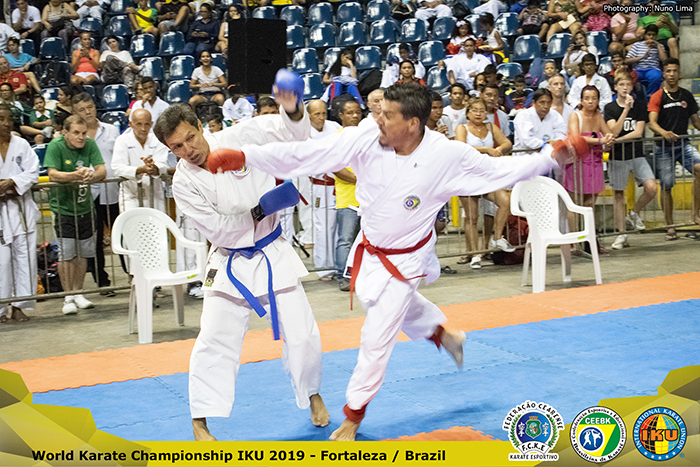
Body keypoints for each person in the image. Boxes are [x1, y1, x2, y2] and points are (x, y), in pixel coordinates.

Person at [209, 82, 587, 441]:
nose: (378, 119)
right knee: (379, 300)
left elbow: (501, 171)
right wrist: (246, 156)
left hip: (407, 260)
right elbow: (308, 154)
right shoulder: (365, 136)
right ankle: (443, 333)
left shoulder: (445, 155)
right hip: (370, 247)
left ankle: (354, 413)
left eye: (387, 115)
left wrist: (550, 157)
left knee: (376, 335)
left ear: (412, 123)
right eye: (378, 111)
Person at [153, 72, 329, 441]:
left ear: (200, 126)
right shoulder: (183, 182)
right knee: (215, 339)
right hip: (228, 260)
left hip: (272, 252)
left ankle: (312, 393)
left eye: (190, 138)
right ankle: (200, 419)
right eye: (177, 147)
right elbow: (218, 230)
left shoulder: (239, 137)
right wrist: (261, 209)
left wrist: (292, 108)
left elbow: (290, 134)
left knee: (302, 334)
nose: (188, 150)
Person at [43, 115, 106, 315]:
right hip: (63, 209)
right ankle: (68, 296)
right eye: (76, 133)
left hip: (85, 208)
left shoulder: (90, 144)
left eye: (84, 133)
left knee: (83, 253)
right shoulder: (55, 146)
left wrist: (91, 176)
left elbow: (102, 170)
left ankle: (79, 292)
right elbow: (52, 174)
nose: (81, 137)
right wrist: (75, 176)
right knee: (67, 254)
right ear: (65, 133)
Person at [456, 96, 513, 268]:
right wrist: (486, 149)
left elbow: (507, 142)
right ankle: (475, 255)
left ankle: (497, 238)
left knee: (504, 201)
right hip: (468, 176)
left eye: (481, 110)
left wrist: (498, 149)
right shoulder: (462, 128)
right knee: (472, 217)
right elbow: (461, 147)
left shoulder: (490, 126)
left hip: (487, 176)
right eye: (475, 110)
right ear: (468, 113)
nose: (479, 114)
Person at [72, 92, 121, 293]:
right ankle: (102, 281)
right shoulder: (76, 136)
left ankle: (132, 275)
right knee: (94, 240)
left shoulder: (111, 130)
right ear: (75, 113)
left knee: (121, 234)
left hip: (112, 189)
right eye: (82, 110)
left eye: (90, 107)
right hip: (88, 193)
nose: (87, 112)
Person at [647, 58, 700, 240]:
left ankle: (695, 214)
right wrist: (664, 132)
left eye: (674, 71)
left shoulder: (686, 95)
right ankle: (670, 226)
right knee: (667, 185)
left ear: (679, 73)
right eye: (668, 71)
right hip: (663, 148)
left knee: (699, 169)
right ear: (664, 73)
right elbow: (651, 123)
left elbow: (696, 122)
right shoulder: (657, 96)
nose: (671, 74)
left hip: (683, 145)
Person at [603, 72, 655, 250]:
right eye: (622, 84)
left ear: (632, 87)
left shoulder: (639, 105)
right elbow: (614, 130)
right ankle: (621, 234)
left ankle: (633, 213)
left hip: (637, 153)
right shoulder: (610, 108)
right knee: (618, 194)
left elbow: (638, 132)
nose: (625, 88)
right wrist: (625, 109)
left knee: (651, 187)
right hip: (618, 156)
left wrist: (617, 140)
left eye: (628, 84)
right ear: (615, 87)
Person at [0, 104, 40, 324]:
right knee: (2, 261)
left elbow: (33, 172)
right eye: (1, 119)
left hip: (20, 208)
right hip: (1, 211)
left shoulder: (21, 144)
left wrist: (12, 182)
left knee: (25, 259)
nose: (6, 123)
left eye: (9, 119)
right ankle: (0, 308)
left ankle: (18, 306)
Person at [564, 85, 614, 253]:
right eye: (587, 98)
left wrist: (608, 139)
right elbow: (575, 137)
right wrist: (600, 140)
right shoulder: (575, 115)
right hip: (577, 161)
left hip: (595, 162)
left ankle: (589, 241)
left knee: (590, 203)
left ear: (598, 100)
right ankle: (574, 243)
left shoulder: (599, 117)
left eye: (594, 98)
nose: (590, 101)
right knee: (573, 204)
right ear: (581, 100)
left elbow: (608, 134)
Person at [308, 99, 341, 280]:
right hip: (321, 185)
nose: (321, 118)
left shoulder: (334, 126)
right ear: (308, 116)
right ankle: (323, 268)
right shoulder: (305, 133)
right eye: (317, 114)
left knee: (338, 227)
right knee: (324, 228)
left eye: (323, 113)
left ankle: (338, 265)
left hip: (340, 184)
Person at [112, 108, 169, 212]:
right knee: (132, 222)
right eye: (139, 124)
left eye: (146, 124)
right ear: (131, 124)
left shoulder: (157, 140)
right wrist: (140, 170)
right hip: (131, 196)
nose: (143, 129)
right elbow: (117, 169)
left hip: (155, 194)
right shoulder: (122, 140)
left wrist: (154, 167)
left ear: (151, 124)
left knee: (157, 222)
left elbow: (163, 165)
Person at [332, 99, 362, 291]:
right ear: (341, 115)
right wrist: (360, 179)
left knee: (368, 240)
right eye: (350, 112)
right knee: (345, 239)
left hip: (370, 199)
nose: (355, 116)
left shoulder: (368, 136)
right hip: (347, 198)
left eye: (357, 112)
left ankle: (363, 276)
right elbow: (335, 167)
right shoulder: (336, 138)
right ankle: (343, 276)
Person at [514, 88, 568, 155]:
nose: (546, 106)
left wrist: (556, 142)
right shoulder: (523, 116)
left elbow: (562, 134)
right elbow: (527, 141)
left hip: (549, 155)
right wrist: (547, 144)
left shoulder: (555, 115)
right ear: (534, 103)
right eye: (542, 102)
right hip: (525, 156)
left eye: (549, 103)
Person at [625, 24, 665, 96]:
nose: (651, 37)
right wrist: (642, 57)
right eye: (649, 35)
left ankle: (652, 97)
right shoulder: (637, 45)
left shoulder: (660, 46)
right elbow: (627, 60)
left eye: (653, 35)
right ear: (645, 35)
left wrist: (658, 46)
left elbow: (664, 60)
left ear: (656, 36)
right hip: (638, 70)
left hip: (653, 69)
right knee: (629, 77)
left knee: (657, 76)